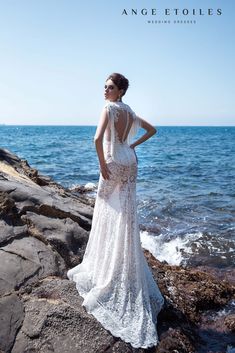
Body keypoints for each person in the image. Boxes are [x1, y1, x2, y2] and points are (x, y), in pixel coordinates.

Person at [67, 73, 164, 349]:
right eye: (105, 86)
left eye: (110, 87)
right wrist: (131, 146)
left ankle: (106, 268)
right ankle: (124, 266)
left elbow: (98, 139)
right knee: (126, 216)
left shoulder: (109, 108)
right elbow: (152, 130)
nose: (105, 90)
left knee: (107, 212)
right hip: (129, 161)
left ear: (119, 91)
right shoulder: (129, 111)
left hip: (112, 161)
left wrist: (101, 164)